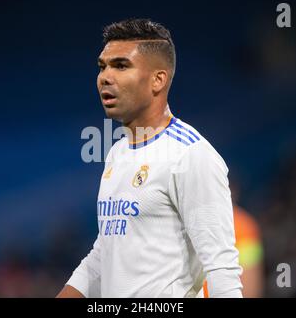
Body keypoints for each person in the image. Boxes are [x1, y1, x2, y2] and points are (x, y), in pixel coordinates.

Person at [57, 18, 243, 298]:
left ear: (158, 79)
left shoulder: (190, 155)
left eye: (121, 65)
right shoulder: (117, 153)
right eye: (102, 66)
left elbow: (221, 269)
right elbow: (105, 252)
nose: (105, 77)